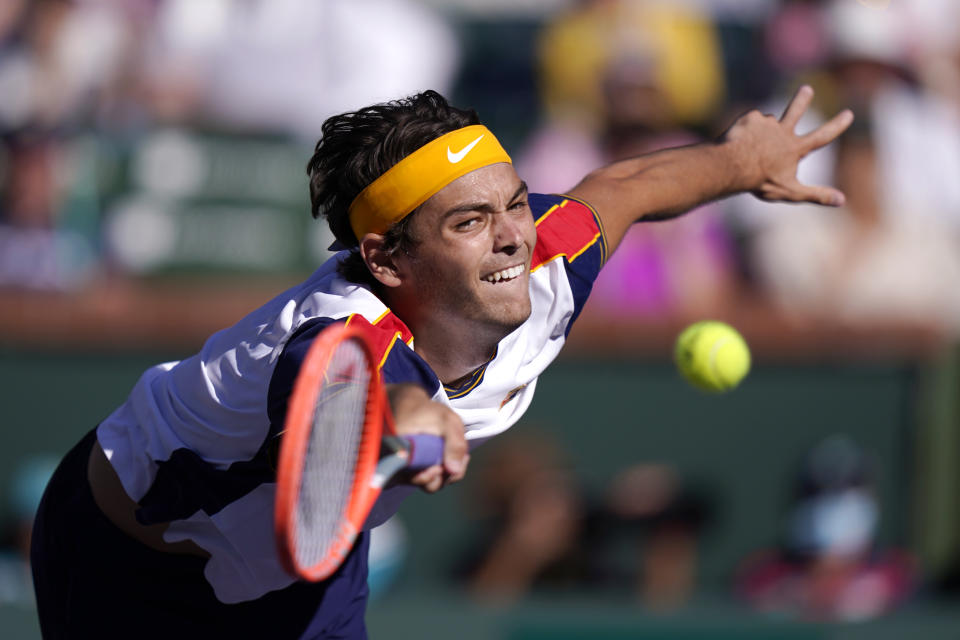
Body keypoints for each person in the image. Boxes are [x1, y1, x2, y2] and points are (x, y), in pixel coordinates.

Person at [31, 85, 852, 638]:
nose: (511, 235)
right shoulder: (336, 337)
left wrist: (745, 163)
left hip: (297, 568)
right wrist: (418, 426)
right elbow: (370, 400)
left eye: (514, 203)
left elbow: (627, 184)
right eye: (469, 222)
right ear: (387, 260)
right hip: (127, 559)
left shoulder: (544, 256)